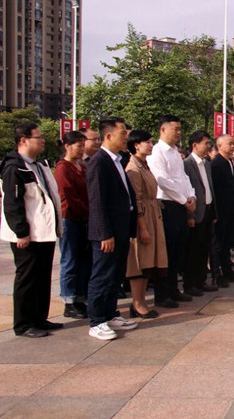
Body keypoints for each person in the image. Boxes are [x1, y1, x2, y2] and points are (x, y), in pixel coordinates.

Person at [1, 122, 63, 338]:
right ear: (23, 140)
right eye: (39, 137)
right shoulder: (14, 168)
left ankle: (39, 318)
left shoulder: (39, 165)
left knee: (42, 277)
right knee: (27, 278)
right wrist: (21, 232)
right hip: (28, 235)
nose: (43, 140)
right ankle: (24, 323)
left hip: (43, 232)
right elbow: (12, 203)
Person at [85, 117, 139, 340]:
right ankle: (97, 320)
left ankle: (110, 313)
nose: (126, 137)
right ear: (108, 136)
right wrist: (104, 233)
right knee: (102, 275)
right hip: (107, 233)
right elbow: (97, 201)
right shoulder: (99, 162)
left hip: (121, 228)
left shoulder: (118, 160)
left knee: (116, 274)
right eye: (122, 134)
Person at [147, 115, 196, 307]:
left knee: (178, 251)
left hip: (181, 205)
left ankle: (174, 289)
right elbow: (163, 180)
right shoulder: (157, 152)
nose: (179, 133)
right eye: (175, 129)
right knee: (166, 252)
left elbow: (183, 177)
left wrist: (191, 196)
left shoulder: (175, 152)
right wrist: (184, 200)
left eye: (179, 129)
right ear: (163, 130)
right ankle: (162, 294)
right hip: (167, 205)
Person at [125, 130, 166, 318]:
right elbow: (137, 200)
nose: (151, 145)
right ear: (136, 145)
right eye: (147, 142)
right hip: (143, 219)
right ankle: (137, 303)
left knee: (148, 263)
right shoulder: (133, 168)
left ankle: (141, 301)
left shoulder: (144, 165)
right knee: (139, 262)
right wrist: (142, 227)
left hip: (152, 215)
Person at [55, 131, 90, 319]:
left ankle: (79, 298)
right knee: (69, 259)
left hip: (82, 218)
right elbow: (68, 197)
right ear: (67, 146)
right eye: (78, 145)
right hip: (70, 219)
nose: (82, 149)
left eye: (83, 145)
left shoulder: (82, 166)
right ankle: (69, 301)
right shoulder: (63, 168)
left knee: (82, 260)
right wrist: (86, 211)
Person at [183, 130, 219, 294]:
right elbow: (186, 190)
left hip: (208, 210)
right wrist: (189, 215)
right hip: (195, 212)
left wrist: (214, 212)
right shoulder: (187, 164)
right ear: (195, 145)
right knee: (193, 250)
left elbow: (209, 187)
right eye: (205, 143)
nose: (208, 146)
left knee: (204, 248)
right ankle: (190, 284)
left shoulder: (207, 163)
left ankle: (201, 280)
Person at [211, 134, 234, 286]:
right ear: (219, 146)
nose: (232, 147)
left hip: (230, 209)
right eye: (229, 144)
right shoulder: (216, 164)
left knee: (227, 242)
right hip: (220, 210)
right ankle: (217, 275)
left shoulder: (229, 162)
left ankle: (227, 271)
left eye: (233, 144)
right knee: (218, 243)